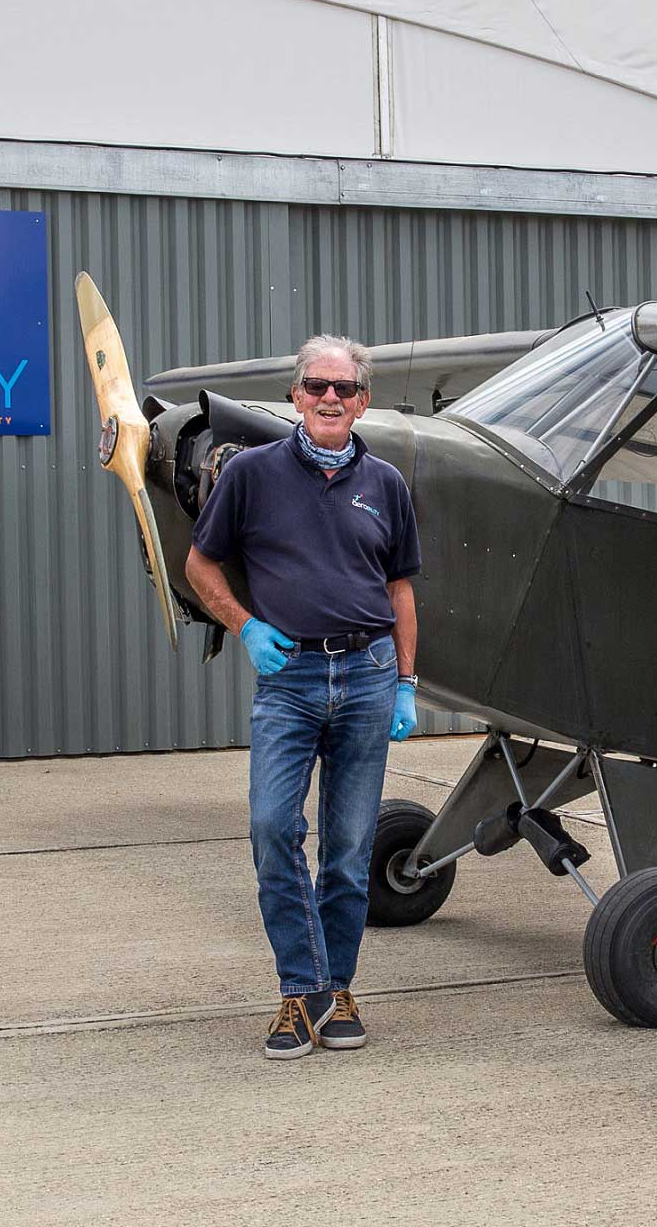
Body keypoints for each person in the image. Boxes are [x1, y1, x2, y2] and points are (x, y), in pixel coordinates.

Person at [185, 334, 422, 1060]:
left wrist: (408, 682)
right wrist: (246, 626)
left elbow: (401, 589)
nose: (329, 398)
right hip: (287, 681)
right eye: (316, 386)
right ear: (295, 395)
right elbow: (199, 564)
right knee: (271, 832)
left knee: (349, 851)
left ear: (362, 401)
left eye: (343, 389)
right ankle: (302, 988)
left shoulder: (386, 484)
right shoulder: (252, 475)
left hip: (369, 676)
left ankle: (332, 989)